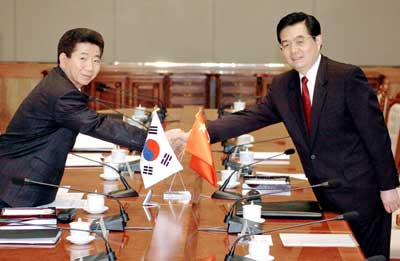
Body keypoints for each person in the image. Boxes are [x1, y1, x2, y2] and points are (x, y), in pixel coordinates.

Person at [170, 12, 400, 259]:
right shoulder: (284, 85)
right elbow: (250, 117)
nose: (294, 50)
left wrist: (388, 186)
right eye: (286, 44)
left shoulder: (345, 78)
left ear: (318, 40)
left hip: (362, 196)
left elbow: (375, 134)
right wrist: (195, 134)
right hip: (322, 195)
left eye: (300, 41)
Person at [0, 28, 147, 208]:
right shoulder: (61, 93)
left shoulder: (59, 83)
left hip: (22, 182)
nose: (90, 67)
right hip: (16, 189)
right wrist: (152, 140)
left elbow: (88, 119)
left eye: (96, 60)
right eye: (83, 58)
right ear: (64, 59)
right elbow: (95, 124)